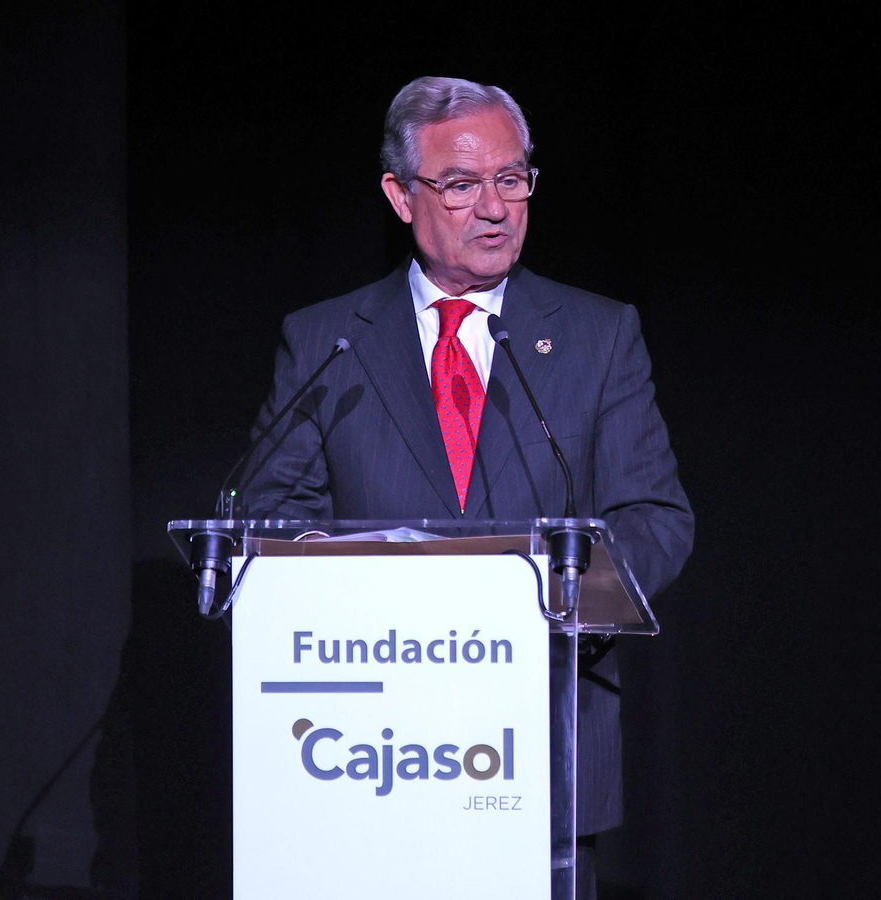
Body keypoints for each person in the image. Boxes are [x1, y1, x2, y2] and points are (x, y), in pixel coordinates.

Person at [240, 75, 693, 897]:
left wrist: (550, 594)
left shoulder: (597, 335)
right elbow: (274, 513)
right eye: (459, 184)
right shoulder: (326, 340)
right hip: (365, 745)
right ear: (400, 196)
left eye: (512, 179)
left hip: (540, 737)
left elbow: (654, 517)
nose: (494, 208)